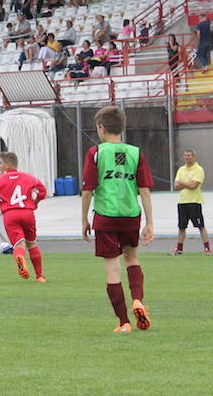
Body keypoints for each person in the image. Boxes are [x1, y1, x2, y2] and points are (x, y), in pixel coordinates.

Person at [81, 106, 154, 333]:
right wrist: (149, 222)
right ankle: (138, 300)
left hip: (105, 216)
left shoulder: (96, 153)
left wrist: (84, 219)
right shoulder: (135, 152)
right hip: (131, 215)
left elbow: (88, 190)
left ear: (101, 128)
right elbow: (144, 190)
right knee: (132, 258)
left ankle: (123, 322)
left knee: (112, 269)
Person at [0, 152, 47, 282]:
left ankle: (20, 258)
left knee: (18, 244)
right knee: (31, 243)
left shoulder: (0, 180)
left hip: (10, 214)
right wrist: (35, 202)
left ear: (8, 165)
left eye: (1, 163)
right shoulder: (29, 177)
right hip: (27, 212)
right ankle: (40, 276)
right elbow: (42, 191)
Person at [170, 149, 210, 255]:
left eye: (189, 155)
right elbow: (176, 186)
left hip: (194, 202)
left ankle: (207, 248)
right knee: (181, 227)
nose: (187, 157)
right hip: (182, 202)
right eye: (185, 155)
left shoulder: (198, 169)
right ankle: (179, 249)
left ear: (194, 157)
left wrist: (182, 183)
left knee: (200, 226)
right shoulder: (181, 169)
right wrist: (186, 183)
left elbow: (194, 185)